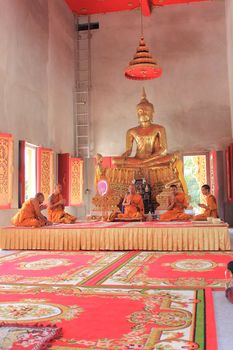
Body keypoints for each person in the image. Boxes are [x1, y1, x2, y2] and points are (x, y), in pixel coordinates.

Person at [112, 88, 188, 193]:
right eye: (140, 111)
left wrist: (149, 158)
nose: (143, 113)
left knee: (171, 158)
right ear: (137, 113)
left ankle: (143, 164)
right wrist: (123, 157)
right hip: (138, 159)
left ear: (152, 112)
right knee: (114, 161)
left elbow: (164, 150)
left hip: (153, 159)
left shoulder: (159, 128)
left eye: (146, 111)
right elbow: (129, 151)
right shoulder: (132, 131)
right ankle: (142, 164)